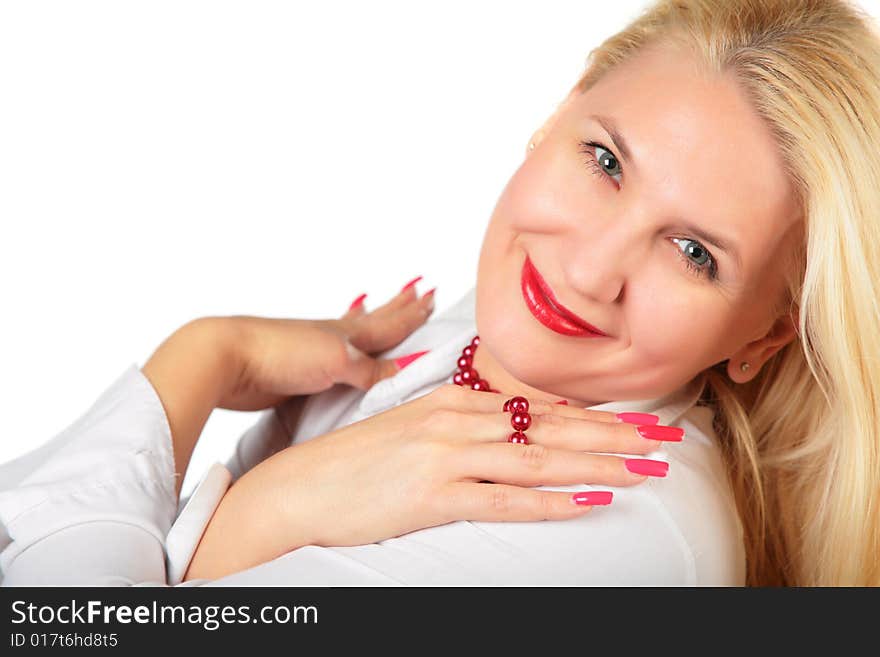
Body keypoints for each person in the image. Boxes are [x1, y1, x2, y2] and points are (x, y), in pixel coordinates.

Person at [2, 0, 879, 587]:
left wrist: (203, 378)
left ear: (764, 335)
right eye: (604, 160)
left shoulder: (607, 529)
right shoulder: (506, 335)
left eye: (694, 252)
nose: (587, 270)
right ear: (559, 112)